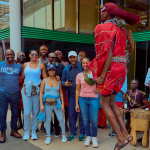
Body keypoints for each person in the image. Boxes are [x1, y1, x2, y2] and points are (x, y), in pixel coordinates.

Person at [87, 3, 140, 150]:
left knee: (104, 104)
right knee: (111, 103)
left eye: (101, 12)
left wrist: (102, 76)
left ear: (107, 13)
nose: (100, 14)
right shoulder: (122, 29)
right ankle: (125, 133)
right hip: (121, 69)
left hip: (110, 70)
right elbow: (131, 47)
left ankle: (120, 138)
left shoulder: (102, 27)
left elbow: (106, 53)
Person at [21, 49, 47, 140]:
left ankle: (33, 131)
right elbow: (21, 77)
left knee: (35, 112)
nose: (34, 55)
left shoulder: (41, 65)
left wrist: (56, 78)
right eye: (32, 54)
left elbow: (45, 79)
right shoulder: (25, 65)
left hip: (36, 91)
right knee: (27, 113)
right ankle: (27, 131)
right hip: (26, 91)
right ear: (29, 55)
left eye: (36, 54)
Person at [40, 64, 67, 144]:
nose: (51, 71)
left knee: (61, 119)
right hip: (47, 103)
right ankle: (48, 136)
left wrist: (62, 103)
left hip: (57, 102)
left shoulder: (58, 80)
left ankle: (63, 134)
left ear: (55, 71)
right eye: (50, 70)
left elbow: (61, 92)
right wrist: (41, 104)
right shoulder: (44, 80)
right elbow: (41, 93)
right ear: (47, 71)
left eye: (53, 69)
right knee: (48, 120)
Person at [75, 57, 99, 147]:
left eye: (87, 63)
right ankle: (88, 136)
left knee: (94, 120)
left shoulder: (95, 74)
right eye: (83, 63)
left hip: (94, 99)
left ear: (90, 64)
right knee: (85, 120)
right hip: (83, 99)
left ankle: (94, 137)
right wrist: (76, 103)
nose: (85, 65)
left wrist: (98, 89)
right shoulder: (79, 75)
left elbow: (101, 83)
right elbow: (77, 90)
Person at [61, 51, 85, 141]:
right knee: (72, 115)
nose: (72, 59)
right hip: (71, 96)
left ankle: (82, 133)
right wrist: (64, 83)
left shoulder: (82, 67)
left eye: (74, 57)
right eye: (70, 57)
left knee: (82, 115)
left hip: (82, 96)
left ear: (76, 57)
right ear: (69, 59)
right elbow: (62, 80)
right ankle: (73, 132)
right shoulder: (66, 68)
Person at [0, 49, 22, 143]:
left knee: (15, 113)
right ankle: (3, 133)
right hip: (3, 93)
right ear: (5, 55)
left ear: (14, 55)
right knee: (2, 114)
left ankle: (13, 130)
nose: (10, 56)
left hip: (15, 93)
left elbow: (21, 77)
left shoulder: (19, 67)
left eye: (11, 54)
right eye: (8, 54)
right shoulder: (0, 65)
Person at [45, 53, 65, 136]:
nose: (53, 58)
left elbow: (63, 79)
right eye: (51, 57)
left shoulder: (61, 66)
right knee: (48, 115)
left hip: (57, 93)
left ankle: (57, 129)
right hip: (47, 92)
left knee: (58, 115)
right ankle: (50, 130)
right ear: (48, 58)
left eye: (55, 57)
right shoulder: (44, 65)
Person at [54, 50, 69, 132]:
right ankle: (56, 124)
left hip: (64, 88)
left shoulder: (66, 64)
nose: (58, 56)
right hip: (55, 88)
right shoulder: (54, 65)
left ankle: (65, 123)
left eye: (59, 54)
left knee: (66, 107)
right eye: (56, 55)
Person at [38, 45, 49, 133]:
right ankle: (41, 124)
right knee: (39, 106)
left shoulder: (49, 61)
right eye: (42, 50)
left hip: (48, 85)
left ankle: (46, 124)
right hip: (38, 86)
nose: (43, 51)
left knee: (46, 105)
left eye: (45, 50)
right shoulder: (36, 60)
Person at [16, 52, 26, 130]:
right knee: (18, 107)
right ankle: (20, 122)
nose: (21, 57)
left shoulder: (27, 65)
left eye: (23, 56)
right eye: (20, 56)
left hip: (26, 88)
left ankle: (25, 122)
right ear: (17, 58)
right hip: (17, 88)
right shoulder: (15, 66)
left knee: (25, 107)